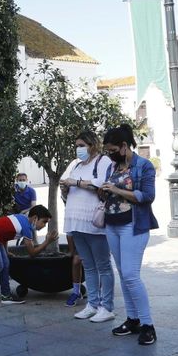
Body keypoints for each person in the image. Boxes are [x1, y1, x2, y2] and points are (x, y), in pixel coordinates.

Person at [100, 125, 158, 345]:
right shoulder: (112, 166)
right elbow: (108, 195)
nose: (110, 154)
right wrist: (103, 191)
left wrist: (116, 190)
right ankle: (133, 319)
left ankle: (148, 325)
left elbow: (147, 196)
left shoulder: (143, 165)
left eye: (113, 150)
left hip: (133, 225)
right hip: (112, 224)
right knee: (123, 274)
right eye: (108, 150)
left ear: (124, 146)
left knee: (131, 275)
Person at [59, 130, 115, 324]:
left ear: (92, 145)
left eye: (82, 145)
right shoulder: (76, 165)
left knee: (103, 265)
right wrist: (65, 189)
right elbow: (68, 192)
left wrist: (76, 182)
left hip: (93, 221)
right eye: (77, 146)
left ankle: (106, 307)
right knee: (88, 265)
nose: (78, 149)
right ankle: (92, 304)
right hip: (75, 221)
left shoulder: (103, 161)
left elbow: (101, 184)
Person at [0, 205, 55, 304]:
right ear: (35, 218)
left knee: (5, 264)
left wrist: (6, 251)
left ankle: (6, 296)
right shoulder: (26, 228)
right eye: (44, 222)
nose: (44, 225)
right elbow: (32, 253)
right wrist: (47, 241)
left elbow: (5, 233)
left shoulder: (22, 218)